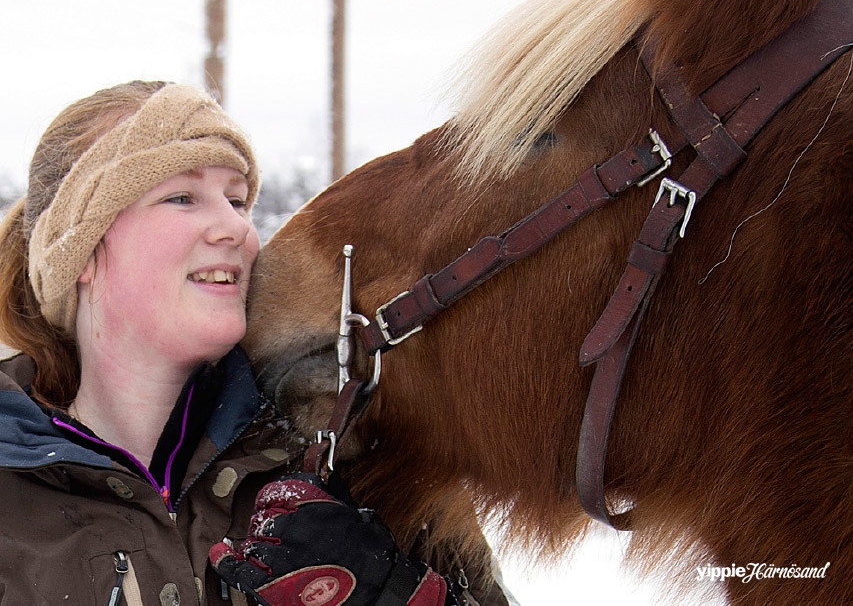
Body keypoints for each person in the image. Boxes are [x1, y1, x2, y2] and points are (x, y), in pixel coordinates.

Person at [0, 81, 510, 606]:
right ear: (80, 253)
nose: (236, 227)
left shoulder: (362, 460)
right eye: (182, 198)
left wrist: (397, 595)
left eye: (237, 200)